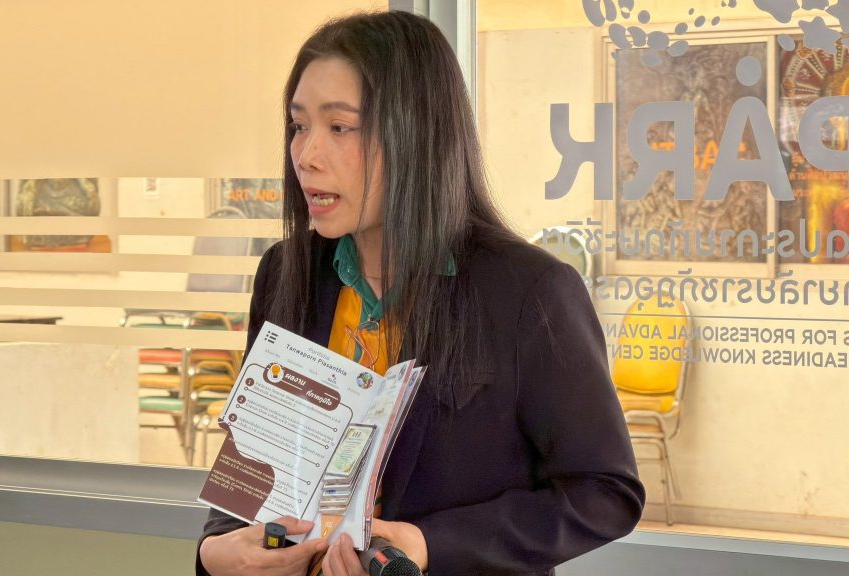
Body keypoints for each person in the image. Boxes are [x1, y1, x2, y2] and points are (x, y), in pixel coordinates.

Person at [197, 11, 644, 576]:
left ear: (416, 134)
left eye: (339, 127)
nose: (306, 154)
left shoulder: (529, 293)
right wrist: (215, 549)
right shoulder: (286, 274)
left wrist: (430, 544)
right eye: (298, 125)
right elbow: (251, 468)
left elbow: (604, 492)